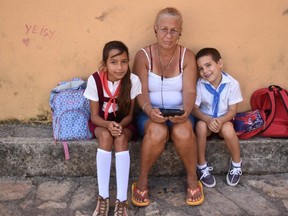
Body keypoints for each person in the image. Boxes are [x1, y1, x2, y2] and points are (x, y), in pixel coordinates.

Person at [132, 7, 204, 207]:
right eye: (164, 29)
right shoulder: (143, 56)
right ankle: (143, 181)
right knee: (156, 131)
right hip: (149, 112)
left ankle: (191, 178)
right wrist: (148, 110)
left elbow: (189, 91)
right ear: (155, 29)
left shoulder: (187, 56)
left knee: (183, 131)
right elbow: (141, 92)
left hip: (181, 112)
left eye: (174, 30)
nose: (169, 35)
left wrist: (186, 112)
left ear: (180, 32)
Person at [84, 41, 142, 216]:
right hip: (102, 122)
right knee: (106, 138)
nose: (120, 67)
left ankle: (121, 200)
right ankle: (103, 198)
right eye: (114, 62)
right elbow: (94, 116)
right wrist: (108, 125)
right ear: (105, 64)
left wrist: (118, 126)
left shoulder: (133, 80)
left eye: (124, 61)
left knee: (121, 138)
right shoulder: (95, 80)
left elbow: (130, 115)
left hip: (124, 122)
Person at [192, 47, 243, 188]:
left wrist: (220, 121)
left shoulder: (232, 84)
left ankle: (237, 164)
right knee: (200, 126)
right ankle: (201, 165)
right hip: (205, 120)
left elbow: (233, 111)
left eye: (208, 65)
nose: (205, 71)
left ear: (219, 63)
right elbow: (194, 109)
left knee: (228, 129)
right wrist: (208, 120)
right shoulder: (200, 85)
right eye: (200, 68)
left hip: (224, 119)